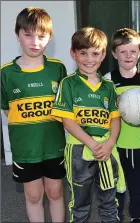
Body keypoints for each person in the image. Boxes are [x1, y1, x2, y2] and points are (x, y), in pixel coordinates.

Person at [51, 27, 125, 222]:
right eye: (83, 53)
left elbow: (115, 118)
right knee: (80, 203)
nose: (89, 59)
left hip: (105, 150)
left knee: (109, 201)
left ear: (103, 55)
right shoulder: (68, 84)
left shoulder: (108, 86)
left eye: (95, 53)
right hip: (78, 150)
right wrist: (92, 144)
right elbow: (68, 121)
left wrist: (110, 143)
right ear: (73, 53)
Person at [0, 7, 66, 222]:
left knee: (55, 193)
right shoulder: (6, 72)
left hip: (53, 146)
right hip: (25, 149)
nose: (34, 42)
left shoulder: (58, 69)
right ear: (17, 35)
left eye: (41, 36)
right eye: (28, 34)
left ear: (50, 37)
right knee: (34, 195)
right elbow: (7, 108)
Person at [104, 28, 140, 222]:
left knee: (138, 186)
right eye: (123, 51)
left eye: (133, 51)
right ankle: (117, 216)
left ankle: (136, 216)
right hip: (117, 143)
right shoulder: (108, 80)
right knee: (117, 185)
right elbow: (102, 112)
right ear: (114, 54)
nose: (128, 56)